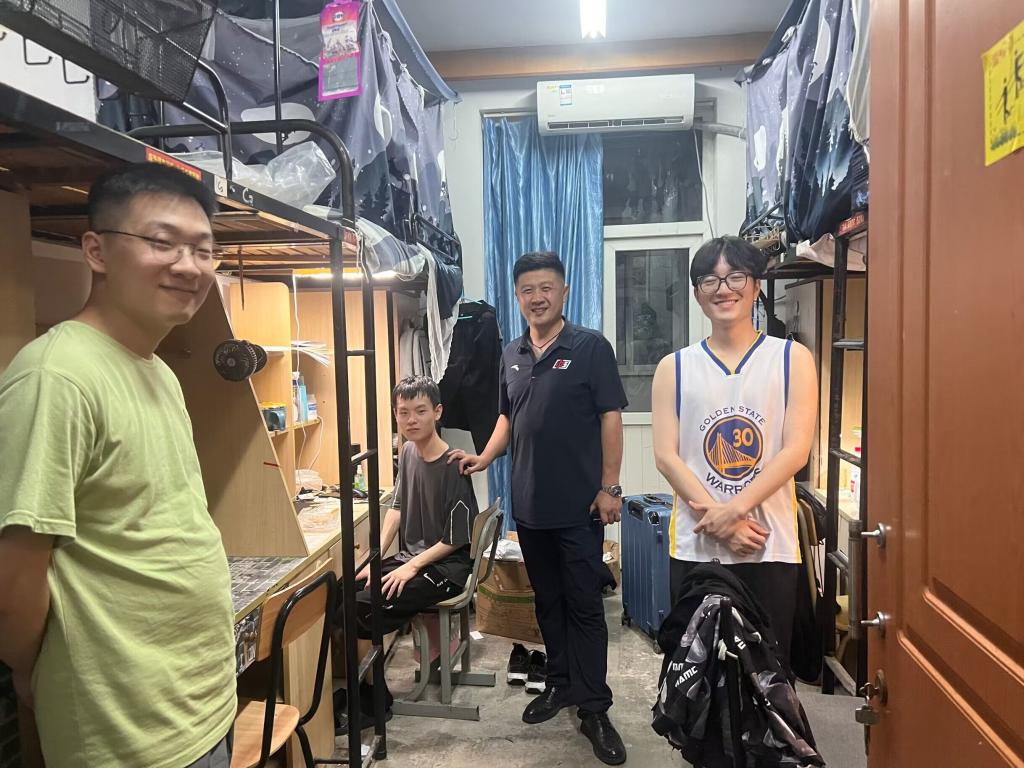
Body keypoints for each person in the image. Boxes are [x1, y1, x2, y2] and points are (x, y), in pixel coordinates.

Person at [0, 163, 236, 767]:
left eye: (204, 249)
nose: (190, 266)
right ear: (96, 250)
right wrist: (33, 671)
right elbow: (16, 573)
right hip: (129, 730)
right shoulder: (56, 377)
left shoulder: (158, 370)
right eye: (162, 242)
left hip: (200, 702)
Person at [452, 252, 628, 766]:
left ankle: (594, 708)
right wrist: (485, 457)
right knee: (547, 602)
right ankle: (560, 683)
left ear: (564, 291)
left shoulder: (590, 348)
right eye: (527, 290)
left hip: (579, 507)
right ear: (517, 296)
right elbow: (508, 418)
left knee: (584, 607)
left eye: (546, 288)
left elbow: (611, 418)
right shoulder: (511, 353)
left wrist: (610, 487)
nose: (537, 298)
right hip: (529, 508)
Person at [651, 235, 817, 662]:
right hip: (696, 546)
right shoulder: (674, 368)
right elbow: (666, 456)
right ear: (697, 294)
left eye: (735, 277)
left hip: (767, 543)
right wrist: (721, 521)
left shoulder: (792, 358)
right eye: (710, 280)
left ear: (756, 285)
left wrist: (734, 512)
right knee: (695, 673)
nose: (723, 289)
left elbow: (796, 451)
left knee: (766, 673)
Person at [335, 375, 479, 734]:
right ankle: (367, 690)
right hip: (412, 559)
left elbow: (456, 539)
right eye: (403, 412)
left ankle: (376, 700)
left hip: (446, 567)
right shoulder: (410, 452)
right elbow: (397, 508)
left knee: (362, 608)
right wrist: (375, 559)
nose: (411, 420)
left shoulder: (453, 466)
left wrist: (410, 567)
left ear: (438, 412)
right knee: (341, 593)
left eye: (420, 411)